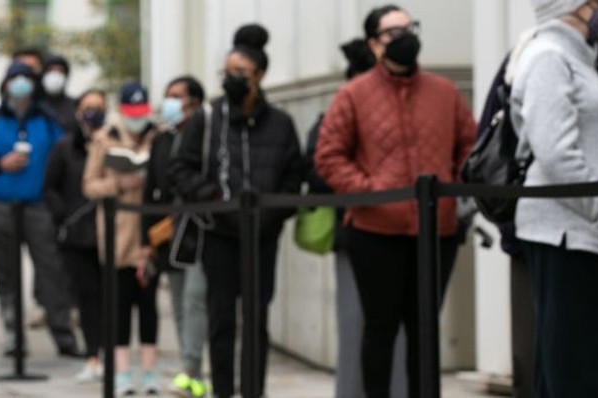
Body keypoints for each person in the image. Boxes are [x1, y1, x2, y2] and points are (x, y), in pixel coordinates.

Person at [477, 1, 598, 396]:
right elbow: (555, 152)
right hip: (573, 237)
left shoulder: (581, 58)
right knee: (575, 373)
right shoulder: (548, 56)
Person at [314, 5, 476, 397]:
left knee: (425, 330)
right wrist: (371, 191)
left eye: (410, 28)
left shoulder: (445, 92)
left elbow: (471, 147)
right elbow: (329, 156)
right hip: (375, 231)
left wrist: (454, 191)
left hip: (437, 231)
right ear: (374, 44)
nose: (406, 37)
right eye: (393, 32)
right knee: (380, 329)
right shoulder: (353, 94)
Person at [167, 24, 304, 398]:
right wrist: (212, 198)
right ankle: (223, 391)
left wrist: (272, 213)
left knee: (256, 320)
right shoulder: (208, 117)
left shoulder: (280, 123)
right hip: (219, 234)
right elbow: (179, 169)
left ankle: (253, 391)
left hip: (263, 235)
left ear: (259, 75)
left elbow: (294, 175)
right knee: (221, 319)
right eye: (226, 72)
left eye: (239, 72)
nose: (231, 79)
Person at [306, 37, 416, 398]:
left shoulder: (414, 106)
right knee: (359, 326)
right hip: (357, 234)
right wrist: (369, 189)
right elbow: (319, 166)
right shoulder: (340, 112)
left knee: (393, 330)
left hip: (402, 231)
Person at [0, 62, 79, 358]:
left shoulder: (46, 119)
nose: (20, 83)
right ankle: (13, 336)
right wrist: (0, 163)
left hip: (38, 208)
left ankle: (63, 336)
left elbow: (64, 157)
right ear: (5, 84)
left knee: (52, 272)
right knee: (4, 275)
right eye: (14, 78)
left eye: (26, 78)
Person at [83, 82, 161, 396]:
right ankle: (122, 372)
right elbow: (90, 185)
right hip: (118, 235)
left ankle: (150, 372)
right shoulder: (105, 138)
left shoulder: (158, 136)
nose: (137, 119)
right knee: (119, 306)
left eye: (141, 113)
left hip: (151, 234)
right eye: (132, 113)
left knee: (149, 305)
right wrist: (119, 184)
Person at [139, 76, 211, 398]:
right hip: (169, 233)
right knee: (180, 301)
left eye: (177, 96)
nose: (170, 102)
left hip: (200, 230)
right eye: (167, 96)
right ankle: (189, 368)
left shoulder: (207, 135)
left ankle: (191, 368)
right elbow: (151, 191)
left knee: (196, 298)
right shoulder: (162, 141)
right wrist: (147, 239)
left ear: (194, 102)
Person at [44, 89, 109, 383]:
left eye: (99, 107)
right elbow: (50, 187)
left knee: (111, 299)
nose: (93, 113)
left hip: (110, 234)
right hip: (77, 236)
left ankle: (111, 355)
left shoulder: (113, 145)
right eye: (88, 107)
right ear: (78, 112)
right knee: (87, 298)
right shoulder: (64, 147)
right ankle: (92, 355)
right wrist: (64, 217)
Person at [41, 55, 81, 136]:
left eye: (60, 71)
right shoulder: (34, 105)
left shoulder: (75, 105)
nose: (55, 74)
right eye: (50, 70)